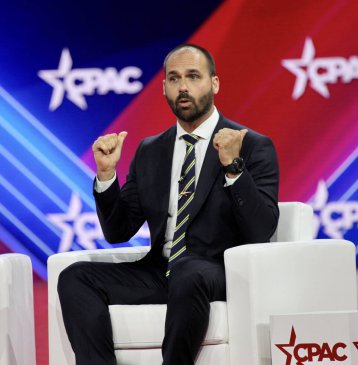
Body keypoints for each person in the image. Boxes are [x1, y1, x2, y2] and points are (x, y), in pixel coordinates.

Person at [58, 43, 279, 365]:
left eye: (193, 76)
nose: (184, 87)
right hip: (160, 272)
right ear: (164, 88)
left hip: (218, 270)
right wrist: (106, 177)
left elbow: (261, 230)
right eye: (174, 79)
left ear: (214, 83)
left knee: (188, 272)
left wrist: (233, 167)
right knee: (75, 276)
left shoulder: (251, 145)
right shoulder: (151, 150)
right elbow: (118, 231)